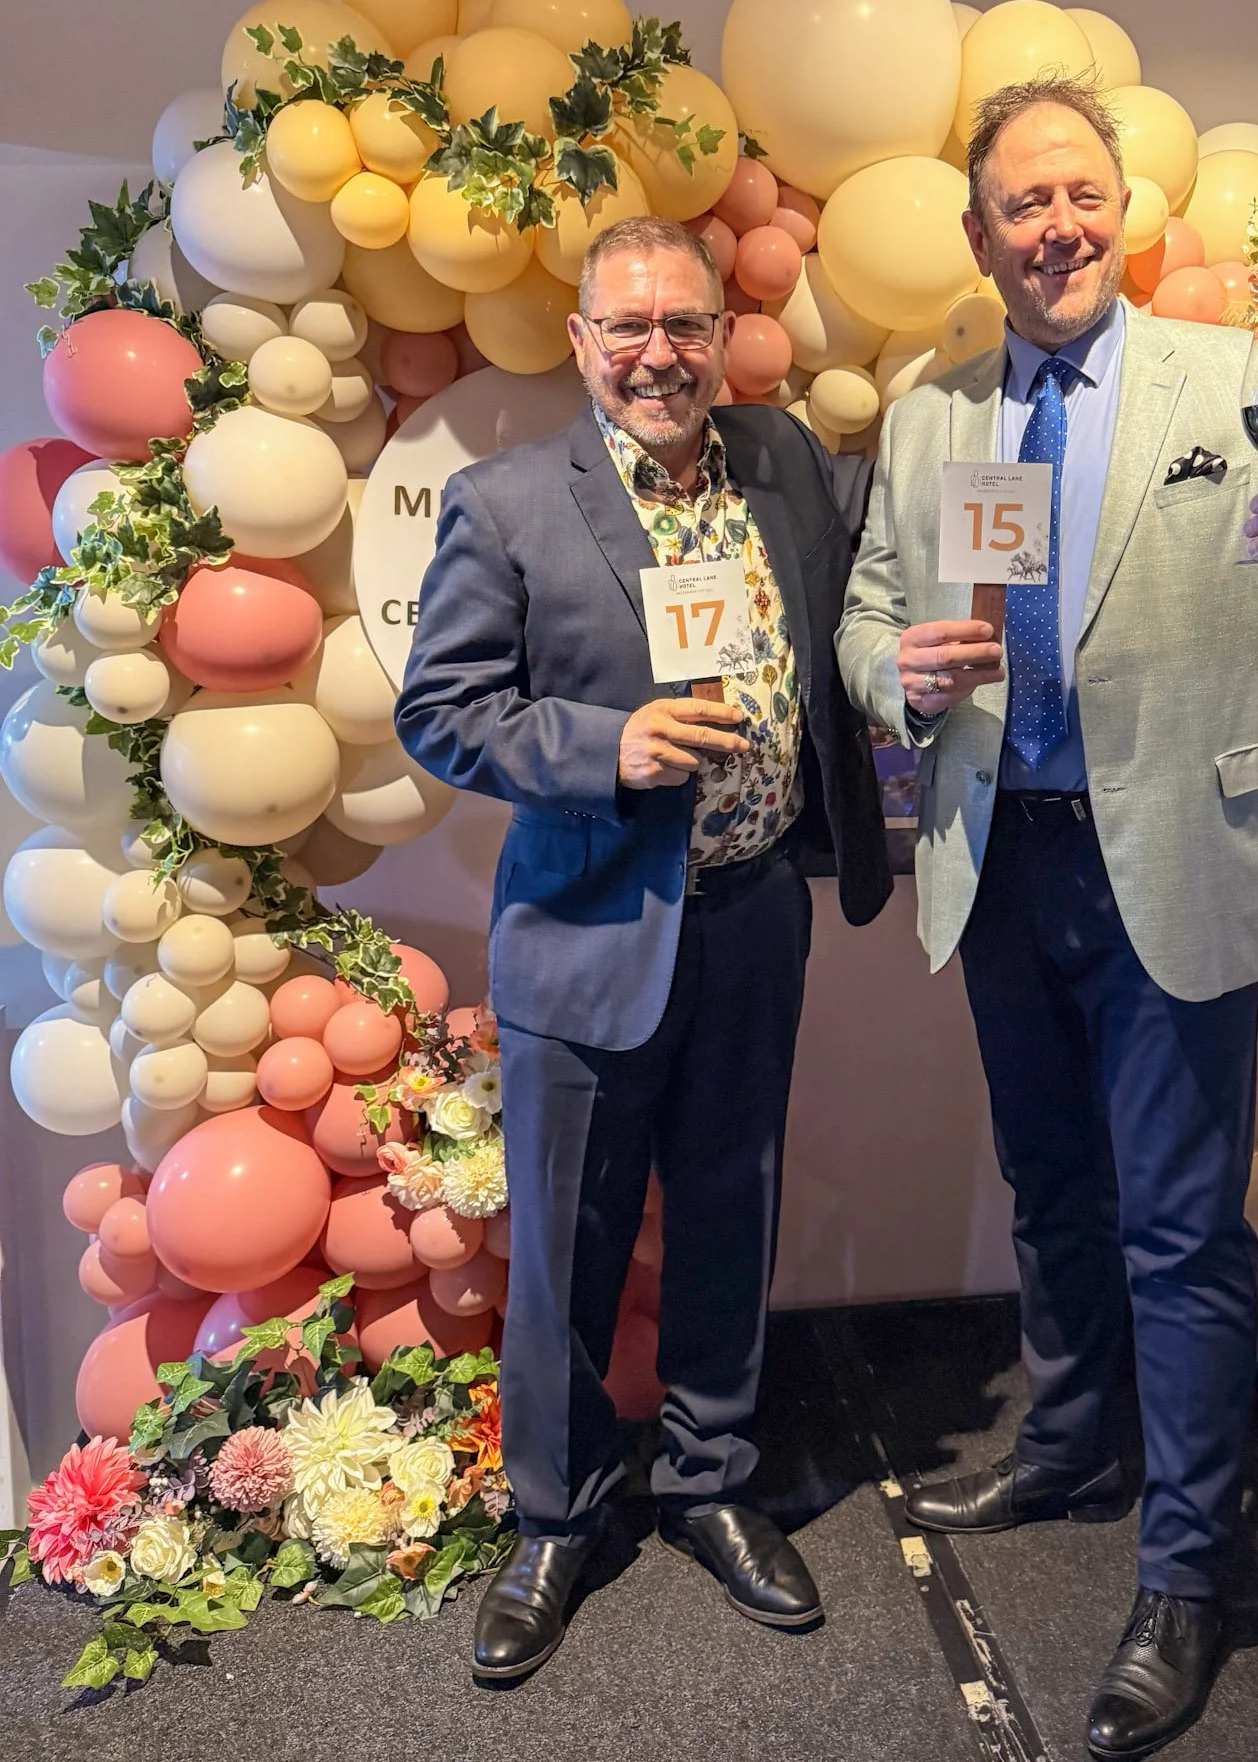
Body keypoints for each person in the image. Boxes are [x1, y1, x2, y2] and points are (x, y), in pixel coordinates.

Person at [837, 78, 1258, 1759]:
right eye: (1024, 203)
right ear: (980, 236)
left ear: (1124, 210)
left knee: (1177, 1230)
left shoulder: (1239, 381)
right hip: (997, 857)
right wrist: (892, 670)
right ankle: (1075, 1438)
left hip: (1171, 855)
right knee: (1050, 1187)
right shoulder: (933, 415)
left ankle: (1184, 1572)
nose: (1058, 226)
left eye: (1080, 193)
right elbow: (869, 611)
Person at [397, 214, 890, 1681]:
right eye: (630, 327)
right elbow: (442, 709)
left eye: (684, 324)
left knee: (732, 1209)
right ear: (581, 342)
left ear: (719, 337)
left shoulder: (782, 459)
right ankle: (556, 1518)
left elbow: (892, 561)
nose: (659, 354)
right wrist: (602, 746)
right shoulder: (505, 504)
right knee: (569, 1243)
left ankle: (711, 1481)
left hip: (753, 915)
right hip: (588, 928)